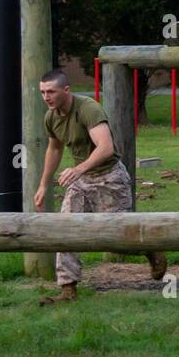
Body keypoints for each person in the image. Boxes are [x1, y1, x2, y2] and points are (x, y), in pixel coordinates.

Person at [33, 70, 166, 305]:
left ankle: (152, 249)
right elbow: (54, 149)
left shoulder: (88, 109)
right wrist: (44, 184)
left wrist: (78, 169)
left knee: (117, 238)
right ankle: (68, 289)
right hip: (82, 181)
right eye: (43, 92)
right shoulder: (51, 117)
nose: (46, 97)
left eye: (51, 91)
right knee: (67, 228)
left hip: (109, 177)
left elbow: (106, 147)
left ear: (66, 90)